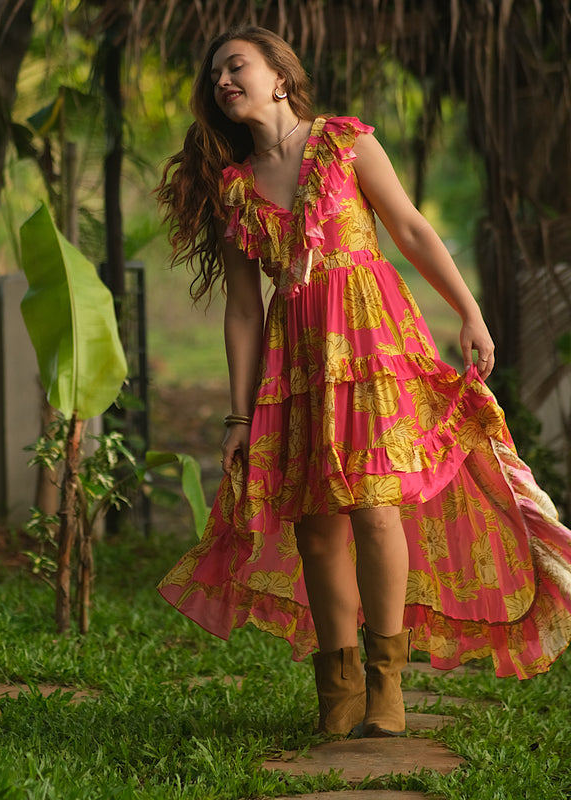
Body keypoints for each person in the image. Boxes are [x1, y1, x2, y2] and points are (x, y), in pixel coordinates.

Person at [156, 25, 571, 739]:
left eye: (237, 65)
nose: (223, 79)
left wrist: (469, 313)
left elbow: (410, 228)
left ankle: (386, 683)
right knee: (318, 531)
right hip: (297, 369)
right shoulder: (235, 190)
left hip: (374, 349)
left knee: (378, 511)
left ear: (280, 74)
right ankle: (338, 687)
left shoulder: (345, 143)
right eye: (215, 74)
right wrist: (236, 417)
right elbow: (243, 310)